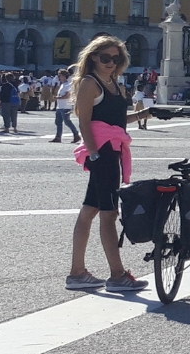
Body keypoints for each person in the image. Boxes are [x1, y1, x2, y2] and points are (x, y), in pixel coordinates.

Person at [64, 36, 152, 292]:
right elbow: (84, 122)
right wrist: (93, 154)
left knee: (89, 210)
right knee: (109, 214)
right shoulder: (89, 84)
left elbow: (118, 121)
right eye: (105, 58)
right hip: (102, 153)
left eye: (116, 58)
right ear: (93, 57)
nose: (111, 63)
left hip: (111, 150)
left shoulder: (113, 83)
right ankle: (117, 275)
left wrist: (146, 114)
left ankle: (77, 273)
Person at [51, 69, 79, 143]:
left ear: (64, 76)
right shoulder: (62, 84)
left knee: (67, 122)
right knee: (58, 122)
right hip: (60, 106)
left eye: (60, 75)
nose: (58, 77)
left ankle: (76, 134)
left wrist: (57, 98)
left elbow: (67, 96)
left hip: (66, 106)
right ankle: (58, 137)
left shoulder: (68, 85)